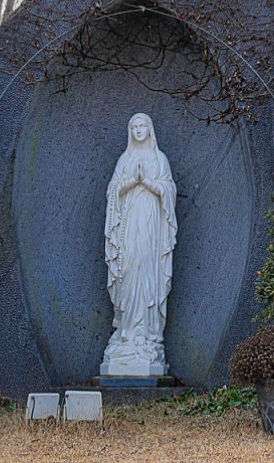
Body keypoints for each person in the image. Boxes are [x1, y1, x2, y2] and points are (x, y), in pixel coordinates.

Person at [101, 113, 177, 375]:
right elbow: (112, 191)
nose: (138, 130)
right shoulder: (125, 160)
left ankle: (148, 333)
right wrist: (131, 182)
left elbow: (170, 191)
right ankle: (127, 333)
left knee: (148, 273)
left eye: (142, 126)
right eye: (133, 126)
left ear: (151, 129)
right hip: (128, 226)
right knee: (128, 272)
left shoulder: (159, 159)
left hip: (152, 229)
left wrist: (150, 184)